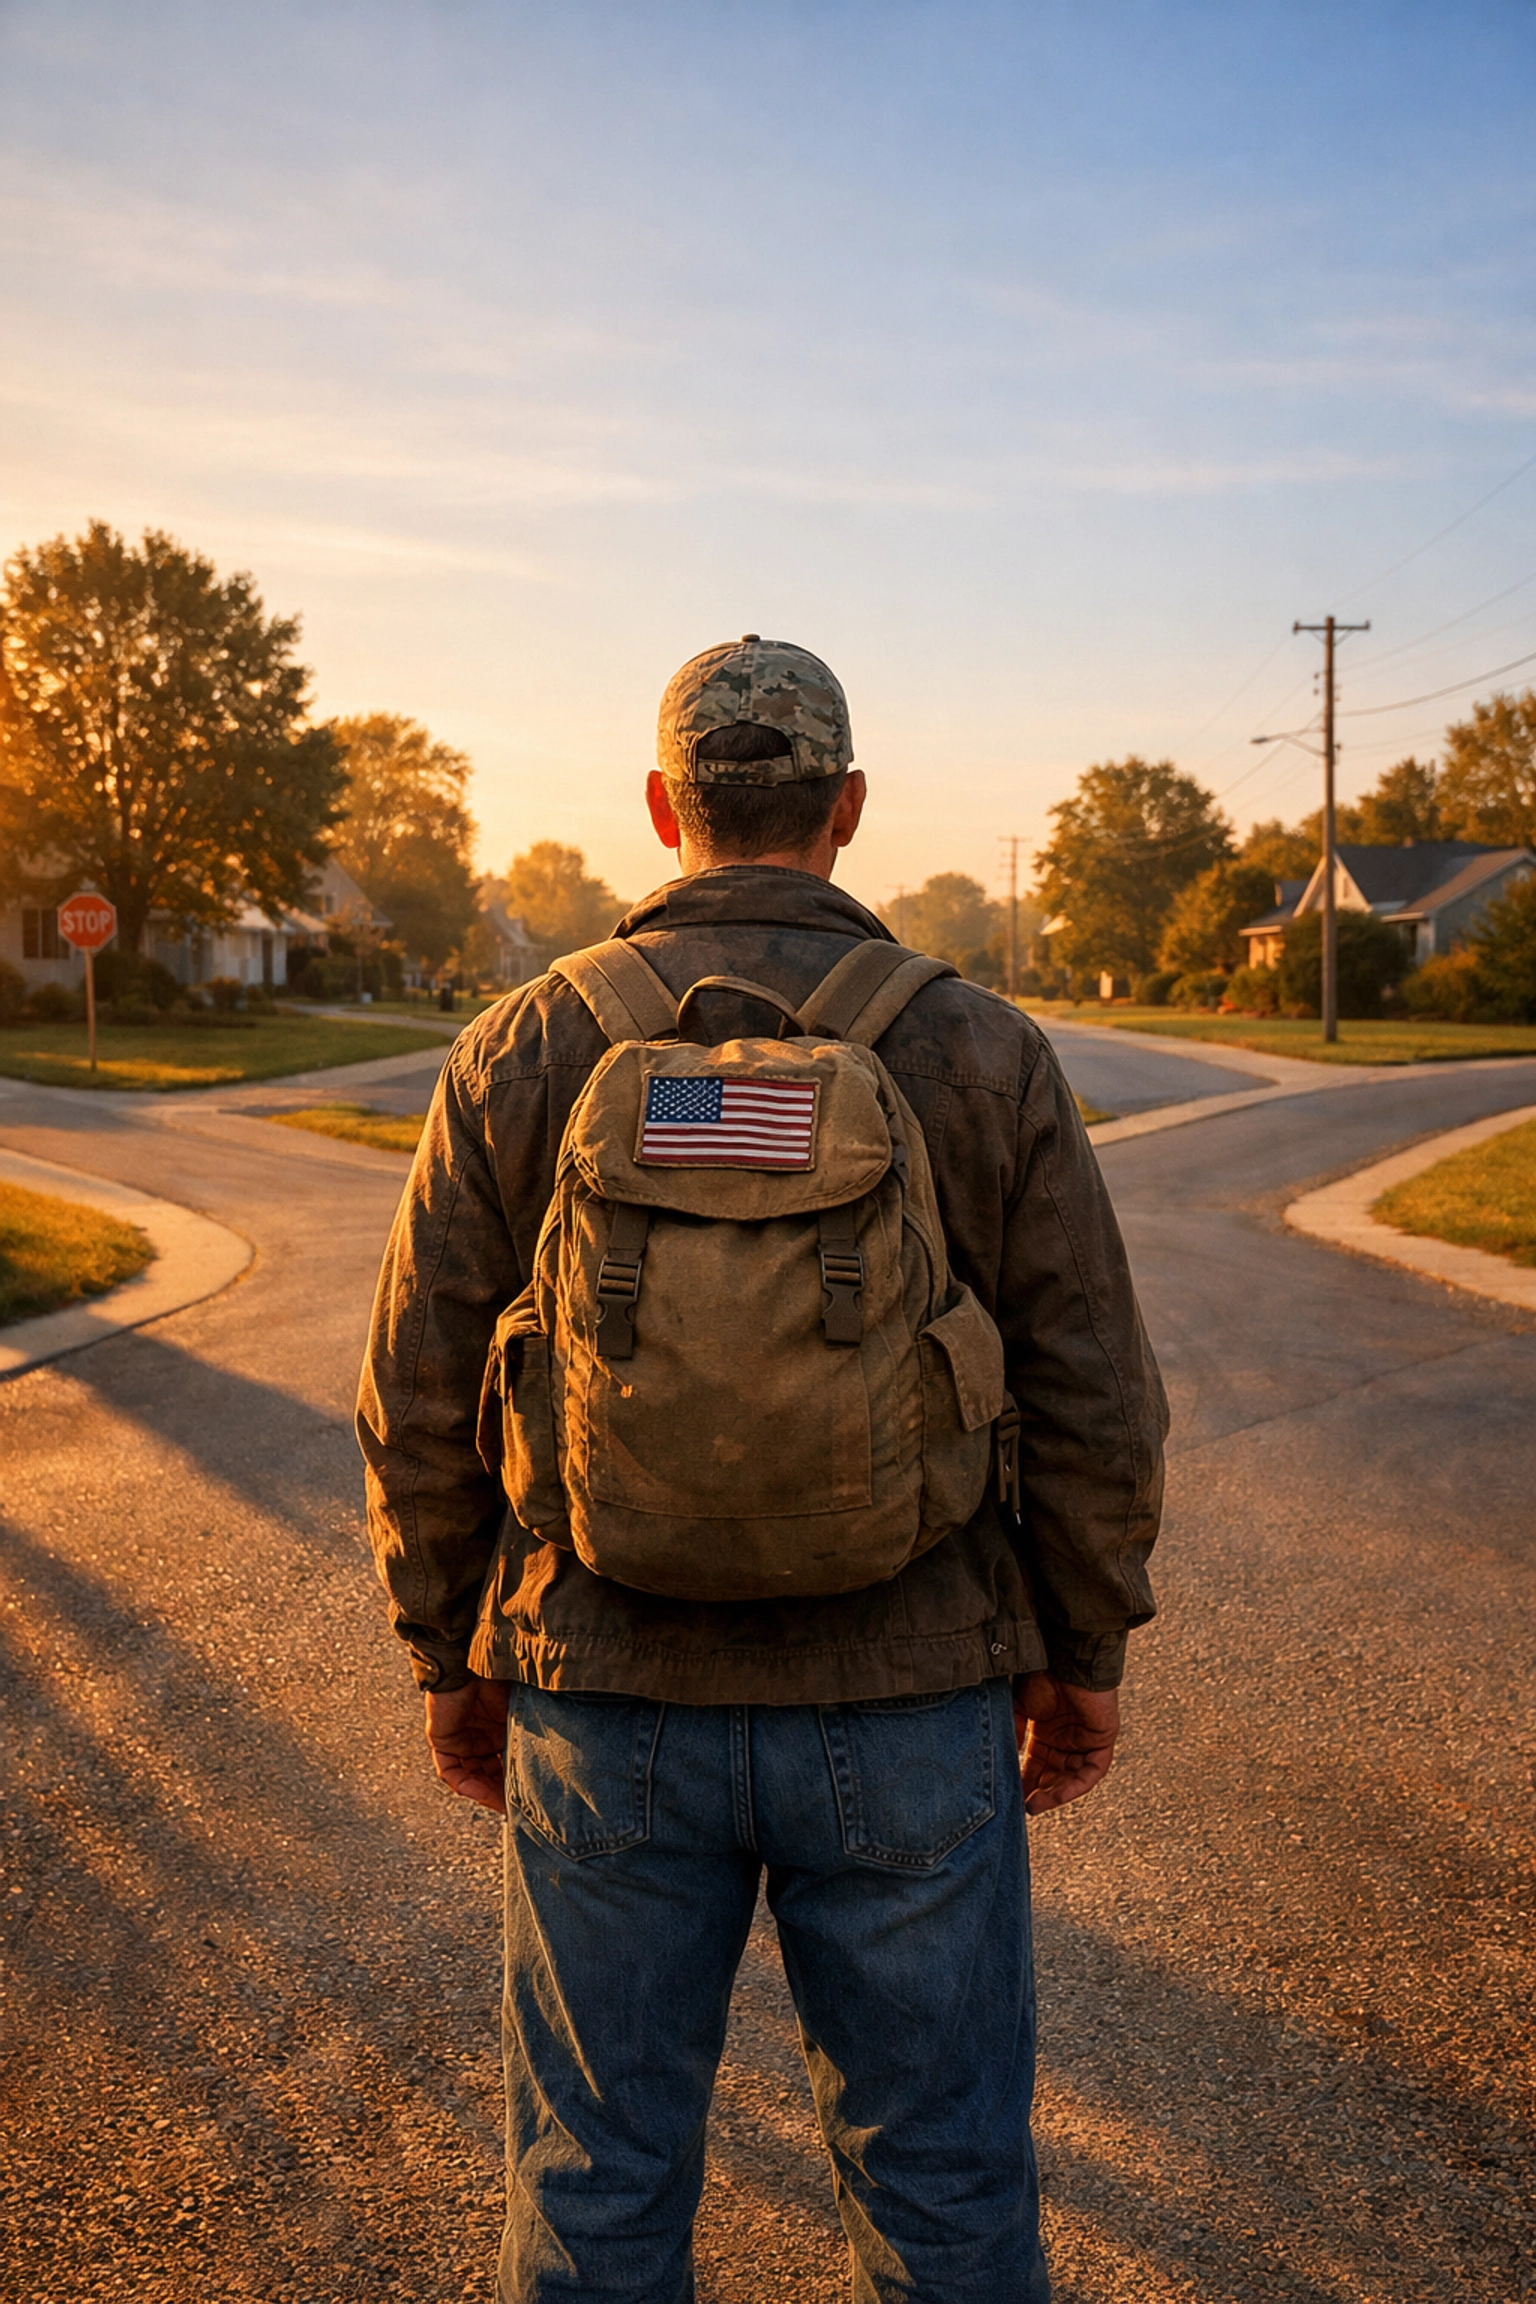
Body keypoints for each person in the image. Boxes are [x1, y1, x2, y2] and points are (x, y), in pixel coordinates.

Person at [357, 636, 1165, 2304]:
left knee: (597, 2184)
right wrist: (1079, 1659)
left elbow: (420, 1390)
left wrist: (452, 1654)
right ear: (848, 809)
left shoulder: (523, 1046)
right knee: (941, 2183)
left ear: (666, 808)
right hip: (915, 1688)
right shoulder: (981, 1050)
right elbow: (1093, 1390)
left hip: (603, 1689)